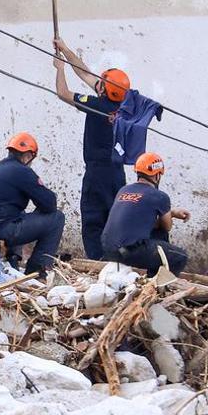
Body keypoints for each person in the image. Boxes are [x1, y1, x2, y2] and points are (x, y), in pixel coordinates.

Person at [53, 38, 132, 259]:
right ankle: (117, 261)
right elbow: (85, 73)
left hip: (97, 172)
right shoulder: (125, 105)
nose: (98, 82)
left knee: (93, 219)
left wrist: (60, 69)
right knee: (115, 218)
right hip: (117, 172)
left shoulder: (97, 105)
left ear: (105, 90)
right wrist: (65, 50)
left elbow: (63, 93)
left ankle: (98, 262)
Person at [0, 131, 66, 275]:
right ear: (28, 155)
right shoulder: (22, 171)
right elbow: (49, 204)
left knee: (19, 214)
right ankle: (38, 270)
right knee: (56, 218)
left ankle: (13, 262)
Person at [101, 152, 190, 276]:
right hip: (130, 253)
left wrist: (173, 213)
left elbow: (137, 221)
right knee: (180, 257)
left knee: (157, 233)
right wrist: (171, 214)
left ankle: (151, 278)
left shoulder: (124, 190)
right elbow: (167, 226)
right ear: (157, 175)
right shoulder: (160, 196)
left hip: (109, 250)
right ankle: (157, 286)